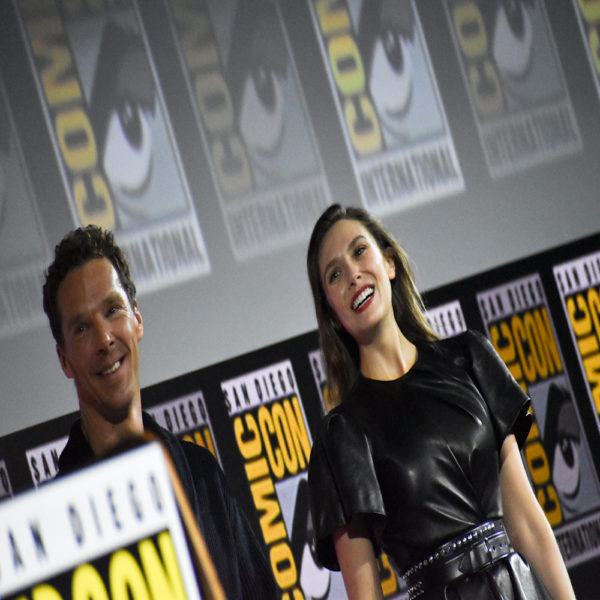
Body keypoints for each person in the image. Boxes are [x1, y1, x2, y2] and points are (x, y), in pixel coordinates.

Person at [306, 204, 576, 600]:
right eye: (335, 274)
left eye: (360, 251)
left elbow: (528, 525)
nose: (352, 275)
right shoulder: (343, 433)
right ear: (331, 313)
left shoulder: (470, 358)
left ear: (390, 263)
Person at [42, 225, 277, 600]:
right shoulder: (53, 525)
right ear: (64, 359)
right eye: (83, 327)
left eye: (113, 310)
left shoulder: (201, 475)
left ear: (137, 319)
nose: (104, 339)